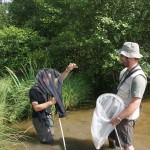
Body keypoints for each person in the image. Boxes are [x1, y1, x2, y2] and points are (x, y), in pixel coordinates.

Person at [108, 42, 147, 150]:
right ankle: (112, 146)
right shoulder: (124, 71)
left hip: (125, 118)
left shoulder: (138, 78)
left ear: (129, 57)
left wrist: (118, 118)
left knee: (127, 145)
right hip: (117, 111)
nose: (120, 58)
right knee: (111, 136)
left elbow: (135, 103)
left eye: (122, 56)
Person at [29, 63, 78, 145]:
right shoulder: (34, 90)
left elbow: (60, 78)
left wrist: (68, 70)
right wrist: (50, 102)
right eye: (48, 77)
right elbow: (36, 107)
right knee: (47, 142)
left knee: (51, 136)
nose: (51, 79)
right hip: (39, 118)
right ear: (42, 79)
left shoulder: (48, 86)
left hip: (48, 115)